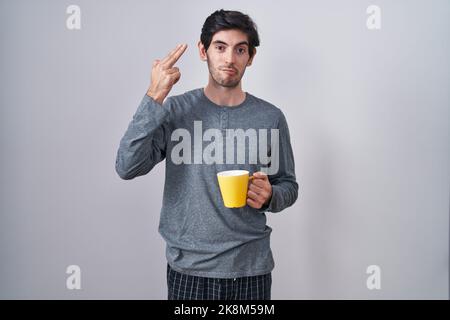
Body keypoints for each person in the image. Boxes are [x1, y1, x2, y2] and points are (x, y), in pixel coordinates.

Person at [115, 9, 298, 300]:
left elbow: (288, 184)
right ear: (203, 51)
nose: (229, 59)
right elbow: (127, 166)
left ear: (250, 57)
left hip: (250, 269)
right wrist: (154, 96)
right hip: (188, 271)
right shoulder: (174, 111)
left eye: (240, 50)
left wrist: (271, 195)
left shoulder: (270, 117)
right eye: (220, 47)